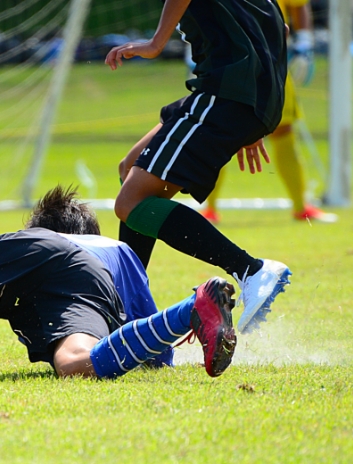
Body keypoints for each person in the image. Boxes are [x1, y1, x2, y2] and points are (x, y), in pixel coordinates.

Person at [0, 186, 238, 379]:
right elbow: (157, 358)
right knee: (75, 363)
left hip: (19, 257)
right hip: (79, 279)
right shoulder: (114, 249)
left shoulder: (34, 237)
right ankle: (193, 308)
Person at [104, 0, 292, 335]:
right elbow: (281, 28)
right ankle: (127, 313)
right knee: (131, 166)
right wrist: (253, 112)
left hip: (227, 93)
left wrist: (155, 43)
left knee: (129, 204)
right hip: (245, 94)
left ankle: (250, 270)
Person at [200, 0, 338, 225]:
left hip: (273, 66)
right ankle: (209, 208)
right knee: (219, 132)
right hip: (228, 65)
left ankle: (301, 207)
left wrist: (304, 42)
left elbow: (298, 4)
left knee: (284, 131)